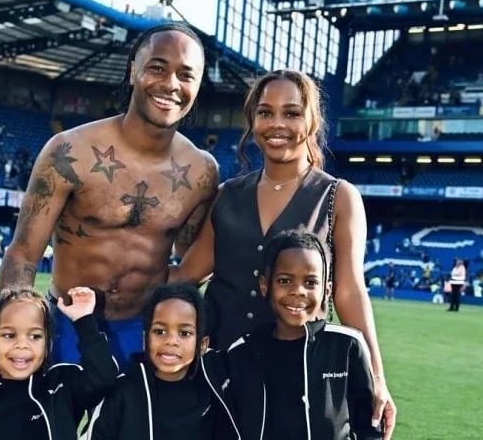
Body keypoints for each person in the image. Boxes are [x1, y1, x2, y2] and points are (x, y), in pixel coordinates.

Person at [0, 22, 218, 398]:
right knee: (42, 424)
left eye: (186, 75)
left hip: (144, 332)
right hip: (66, 326)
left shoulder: (201, 172)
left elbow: (188, 266)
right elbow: (24, 253)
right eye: (158, 68)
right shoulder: (69, 151)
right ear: (133, 70)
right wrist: (3, 343)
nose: (170, 84)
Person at [168, 69, 396, 437]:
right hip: (224, 369)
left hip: (300, 370)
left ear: (311, 121)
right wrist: (118, 274)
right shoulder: (227, 195)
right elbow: (186, 274)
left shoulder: (338, 197)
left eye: (291, 113)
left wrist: (378, 378)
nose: (277, 124)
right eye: (265, 112)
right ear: (252, 120)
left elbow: (350, 291)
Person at [223, 229, 383, 440]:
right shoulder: (243, 352)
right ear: (264, 285)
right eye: (285, 280)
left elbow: (368, 427)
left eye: (311, 283)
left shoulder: (347, 345)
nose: (298, 291)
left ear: (326, 290)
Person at [0, 287, 118, 440]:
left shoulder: (60, 385)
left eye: (35, 336)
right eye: (9, 335)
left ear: (47, 344)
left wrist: (84, 321)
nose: (22, 345)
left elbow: (103, 376)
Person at [84, 283, 239, 440]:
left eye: (184, 333)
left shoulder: (213, 388)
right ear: (145, 338)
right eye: (160, 331)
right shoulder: (122, 393)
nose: (171, 341)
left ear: (202, 345)